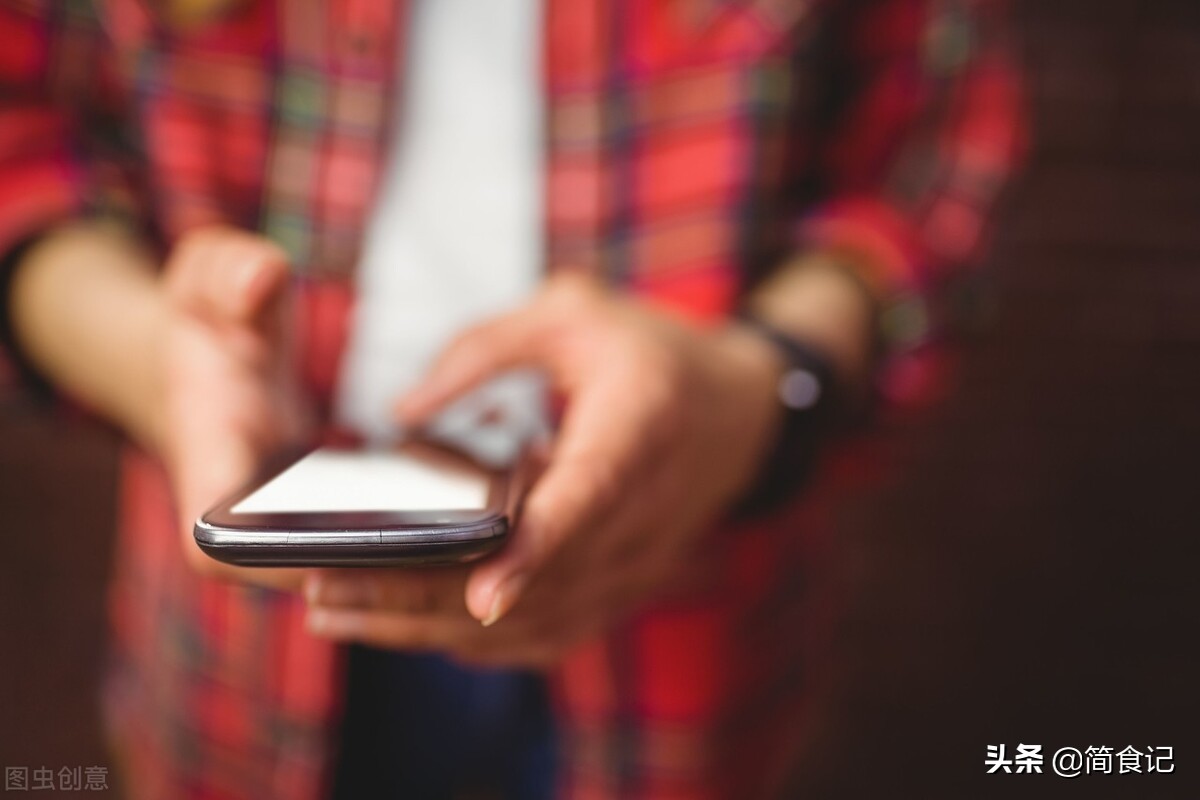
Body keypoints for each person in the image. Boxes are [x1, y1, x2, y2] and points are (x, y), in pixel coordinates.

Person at [0, 0, 1021, 797]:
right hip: (244, 645)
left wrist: (762, 391)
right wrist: (158, 355)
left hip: (690, 600)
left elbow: (924, 173)